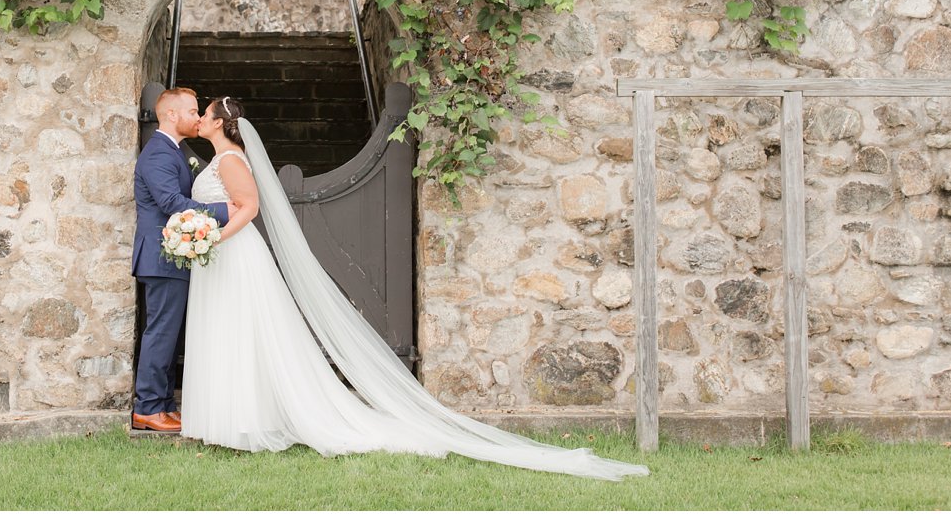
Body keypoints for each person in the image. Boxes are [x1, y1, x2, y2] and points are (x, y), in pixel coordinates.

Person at [178, 95, 650, 480]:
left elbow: (250, 206)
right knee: (229, 333)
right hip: (220, 258)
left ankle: (246, 422)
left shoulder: (232, 161)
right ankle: (231, 419)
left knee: (242, 332)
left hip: (235, 256)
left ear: (221, 123)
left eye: (205, 114)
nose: (198, 119)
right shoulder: (217, 159)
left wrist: (212, 236)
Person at [129, 86, 230, 433]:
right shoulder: (158, 153)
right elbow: (172, 203)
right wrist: (223, 211)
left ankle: (164, 404)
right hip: (161, 256)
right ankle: (148, 407)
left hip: (173, 256)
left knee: (170, 335)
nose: (198, 117)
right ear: (171, 115)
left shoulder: (174, 150)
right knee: (160, 332)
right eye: (192, 111)